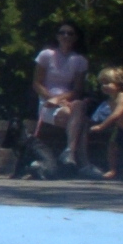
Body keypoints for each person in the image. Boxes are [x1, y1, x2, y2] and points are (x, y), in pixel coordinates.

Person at [33, 23, 94, 172]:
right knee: (82, 122)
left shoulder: (79, 60)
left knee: (79, 105)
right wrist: (52, 98)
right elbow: (37, 83)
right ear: (57, 36)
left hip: (67, 100)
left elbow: (77, 90)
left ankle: (70, 152)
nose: (66, 36)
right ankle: (83, 162)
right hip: (47, 101)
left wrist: (61, 99)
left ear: (76, 37)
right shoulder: (46, 55)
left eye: (70, 33)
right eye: (62, 32)